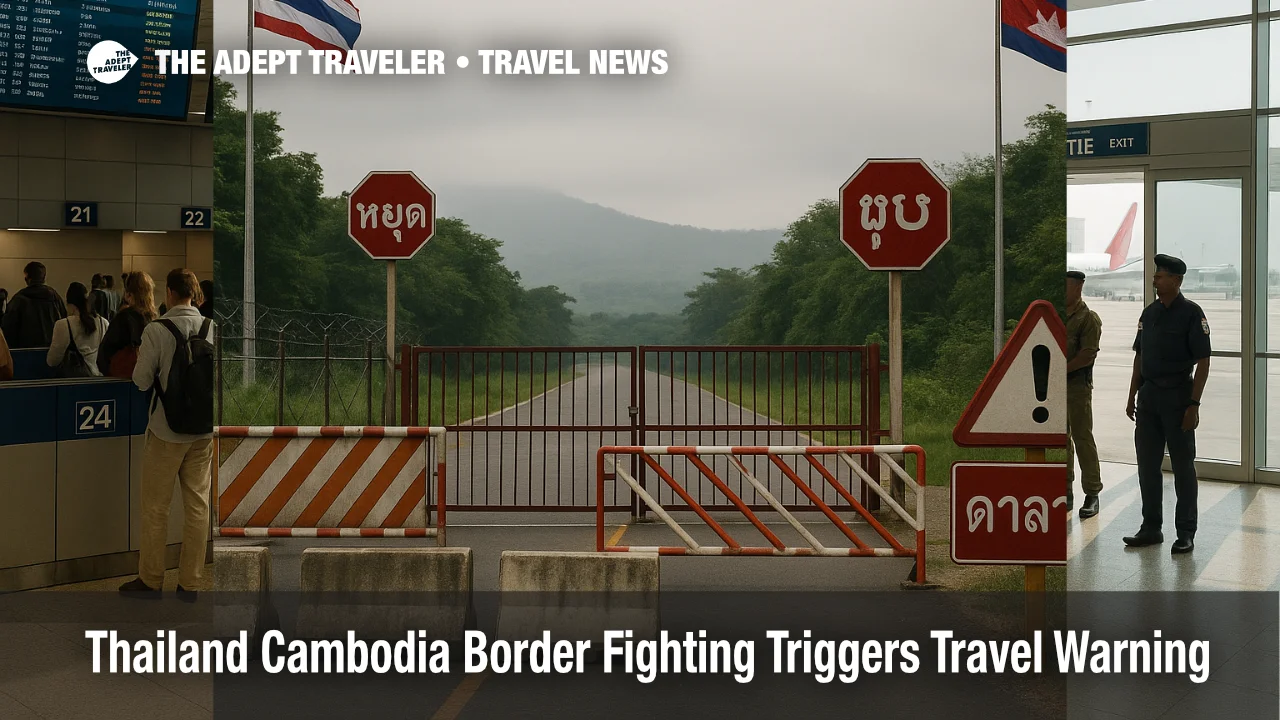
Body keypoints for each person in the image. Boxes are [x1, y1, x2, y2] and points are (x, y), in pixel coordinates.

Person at [120, 269, 215, 600]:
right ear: (195, 294)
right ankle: (191, 582)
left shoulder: (156, 330)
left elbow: (141, 381)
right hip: (204, 432)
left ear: (170, 293)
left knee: (156, 508)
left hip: (165, 432)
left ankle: (150, 579)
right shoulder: (212, 328)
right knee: (198, 507)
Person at [1124, 254, 1211, 555]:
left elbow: (1203, 361)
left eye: (1160, 276)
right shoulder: (1149, 314)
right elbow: (1140, 356)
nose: (1155, 280)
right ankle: (1151, 528)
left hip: (1177, 398)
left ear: (1176, 280)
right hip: (1148, 399)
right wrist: (1131, 393)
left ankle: (1185, 532)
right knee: (1147, 466)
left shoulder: (1191, 314)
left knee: (1183, 468)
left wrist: (1194, 404)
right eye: (1155, 275)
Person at [1066, 271, 1103, 519]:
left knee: (1082, 439)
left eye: (1067, 286)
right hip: (1054, 388)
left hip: (1077, 387)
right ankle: (1064, 492)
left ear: (1079, 287)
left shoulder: (1087, 318)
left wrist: (1060, 371)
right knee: (1060, 441)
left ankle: (1092, 493)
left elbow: (1087, 354)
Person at [97, 271, 157, 378]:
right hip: (147, 378)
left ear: (129, 294)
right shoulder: (154, 319)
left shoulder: (124, 318)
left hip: (123, 378)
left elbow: (104, 354)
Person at [47, 283, 109, 376]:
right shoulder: (103, 322)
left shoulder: (64, 325)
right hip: (99, 378)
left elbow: (52, 361)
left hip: (75, 382)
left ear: (70, 305)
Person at [1, 261, 67, 349]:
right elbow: (63, 321)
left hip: (26, 352)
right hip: (52, 350)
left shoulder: (18, 299)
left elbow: (8, 328)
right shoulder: (55, 297)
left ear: (27, 278)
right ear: (43, 278)